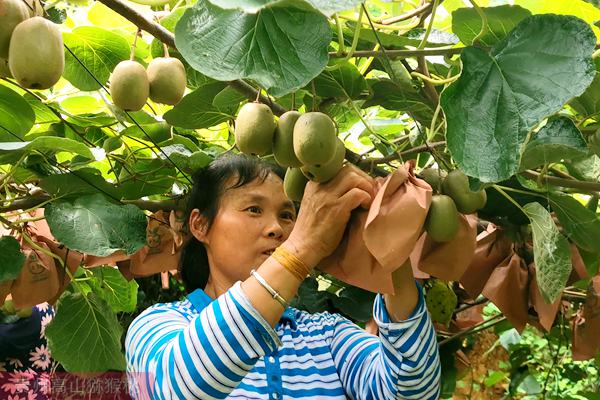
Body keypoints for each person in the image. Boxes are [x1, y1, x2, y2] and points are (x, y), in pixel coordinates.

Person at [125, 154, 441, 399]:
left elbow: (411, 392)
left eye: (287, 215)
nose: (277, 228)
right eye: (253, 209)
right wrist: (302, 247)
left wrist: (393, 244)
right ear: (200, 226)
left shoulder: (326, 335)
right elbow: (172, 388)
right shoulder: (156, 326)